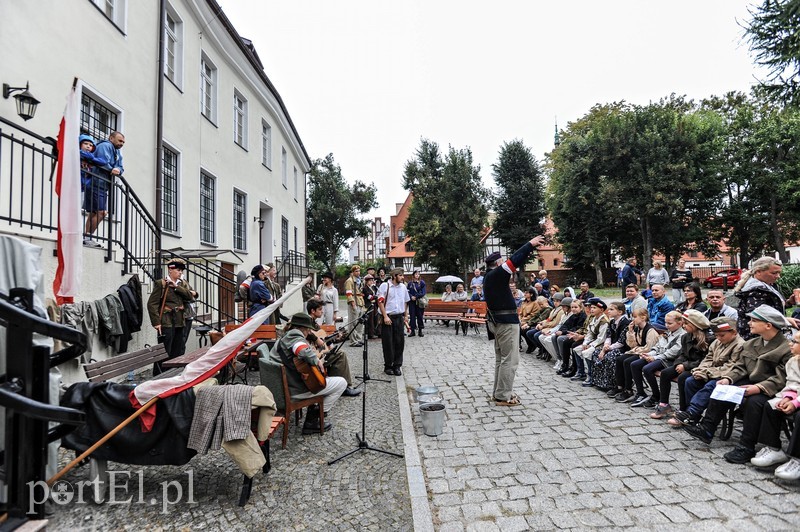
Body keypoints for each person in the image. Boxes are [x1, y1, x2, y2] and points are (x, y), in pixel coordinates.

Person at [683, 305, 792, 459]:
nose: (749, 323)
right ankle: (707, 428)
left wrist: (759, 388)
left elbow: (782, 377)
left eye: (754, 320)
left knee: (753, 402)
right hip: (751, 381)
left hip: (774, 388)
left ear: (768, 325)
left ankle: (746, 446)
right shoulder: (752, 343)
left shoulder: (786, 348)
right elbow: (740, 367)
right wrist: (728, 378)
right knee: (721, 386)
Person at [485, 236, 545, 406]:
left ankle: (498, 393)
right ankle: (503, 396)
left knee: (501, 359)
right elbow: (515, 260)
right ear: (498, 263)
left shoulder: (489, 276)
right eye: (502, 262)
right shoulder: (497, 274)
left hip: (497, 321)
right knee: (509, 360)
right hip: (505, 322)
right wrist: (530, 245)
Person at [269, 312, 347, 434]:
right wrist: (316, 360)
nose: (309, 333)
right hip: (294, 390)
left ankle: (314, 414)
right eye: (308, 330)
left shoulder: (285, 337)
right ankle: (313, 419)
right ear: (304, 328)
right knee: (341, 383)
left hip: (284, 387)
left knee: (320, 381)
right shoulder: (295, 336)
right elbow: (301, 350)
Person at [667, 317, 745, 428]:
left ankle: (692, 413)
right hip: (713, 373)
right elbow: (708, 359)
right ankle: (692, 415)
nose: (718, 338)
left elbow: (731, 366)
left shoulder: (740, 345)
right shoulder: (718, 342)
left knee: (710, 385)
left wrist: (707, 373)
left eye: (721, 335)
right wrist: (699, 370)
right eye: (716, 335)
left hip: (726, 376)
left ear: (734, 332)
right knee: (690, 381)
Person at [747, 329, 800, 480]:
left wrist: (795, 403)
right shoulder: (794, 361)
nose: (790, 344)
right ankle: (773, 447)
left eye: (795, 342)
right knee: (772, 406)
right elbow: (794, 383)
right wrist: (788, 397)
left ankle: (797, 459)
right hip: (797, 397)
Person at [649, 310, 711, 420]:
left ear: (695, 325)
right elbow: (682, 354)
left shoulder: (708, 339)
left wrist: (685, 366)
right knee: (665, 373)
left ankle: (683, 409)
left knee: (683, 378)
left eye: (687, 324)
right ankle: (664, 404)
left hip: (698, 367)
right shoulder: (686, 337)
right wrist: (679, 363)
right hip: (685, 364)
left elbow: (704, 359)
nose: (684, 326)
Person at [146, 258, 196, 374]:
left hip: (180, 320)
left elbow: (190, 296)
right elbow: (152, 304)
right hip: (166, 320)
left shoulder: (182, 283)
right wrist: (156, 322)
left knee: (178, 350)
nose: (180, 273)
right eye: (178, 270)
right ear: (170, 270)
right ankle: (159, 376)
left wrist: (176, 287)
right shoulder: (161, 283)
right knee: (164, 350)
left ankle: (174, 375)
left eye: (181, 271)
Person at [630, 311, 686, 408]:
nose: (666, 325)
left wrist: (654, 357)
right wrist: (649, 354)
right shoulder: (668, 332)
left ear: (680, 323)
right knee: (635, 364)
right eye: (665, 323)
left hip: (670, 360)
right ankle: (641, 393)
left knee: (647, 369)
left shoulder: (682, 335)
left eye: (670, 323)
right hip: (659, 356)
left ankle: (656, 395)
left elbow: (673, 352)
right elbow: (658, 346)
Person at [305, 299, 360, 397]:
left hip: (318, 353)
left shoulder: (314, 323)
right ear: (313, 311)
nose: (322, 311)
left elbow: (323, 340)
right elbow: (307, 333)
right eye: (320, 309)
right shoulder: (306, 321)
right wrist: (316, 339)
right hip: (313, 356)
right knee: (341, 354)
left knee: (337, 352)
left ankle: (339, 383)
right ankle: (344, 387)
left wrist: (333, 339)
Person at [613, 308, 661, 402]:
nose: (632, 319)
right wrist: (630, 332)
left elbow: (648, 347)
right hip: (638, 351)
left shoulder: (650, 330)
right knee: (619, 359)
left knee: (628, 362)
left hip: (647, 353)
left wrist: (636, 350)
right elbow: (632, 345)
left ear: (643, 317)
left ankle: (630, 390)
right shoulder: (638, 329)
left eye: (635, 317)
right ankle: (621, 386)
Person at [84, 131, 124, 245]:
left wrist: (118, 170)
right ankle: (87, 237)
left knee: (94, 212)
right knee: (101, 212)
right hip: (96, 182)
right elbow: (102, 162)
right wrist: (113, 169)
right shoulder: (105, 145)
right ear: (111, 138)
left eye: (123, 142)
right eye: (120, 140)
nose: (122, 143)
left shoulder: (117, 152)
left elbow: (121, 168)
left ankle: (87, 237)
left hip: (103, 185)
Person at [733, 257, 785, 339]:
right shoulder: (756, 289)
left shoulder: (768, 285)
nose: (778, 276)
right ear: (758, 272)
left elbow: (771, 306)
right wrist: (785, 320)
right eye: (774, 273)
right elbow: (757, 315)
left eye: (779, 273)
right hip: (756, 338)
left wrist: (789, 302)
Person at [377, 267, 410, 376]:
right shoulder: (385, 286)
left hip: (399, 317)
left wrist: (405, 315)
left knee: (399, 342)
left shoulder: (403, 287)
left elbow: (406, 302)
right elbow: (380, 302)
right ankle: (388, 366)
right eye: (400, 275)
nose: (402, 277)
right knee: (388, 342)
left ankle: (397, 365)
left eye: (402, 275)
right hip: (388, 317)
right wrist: (385, 316)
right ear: (394, 276)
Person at [592, 302, 631, 393]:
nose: (608, 311)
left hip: (622, 348)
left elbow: (621, 342)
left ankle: (614, 383)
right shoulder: (612, 322)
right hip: (611, 346)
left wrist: (608, 348)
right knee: (596, 353)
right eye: (608, 309)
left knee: (610, 356)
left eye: (611, 309)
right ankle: (601, 381)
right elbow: (608, 336)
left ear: (620, 312)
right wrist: (605, 346)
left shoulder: (625, 323)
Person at [574, 298, 610, 387]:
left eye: (594, 308)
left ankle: (591, 375)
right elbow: (589, 333)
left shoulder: (604, 321)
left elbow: (602, 338)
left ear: (601, 310)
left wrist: (590, 345)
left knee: (587, 353)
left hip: (601, 343)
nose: (591, 309)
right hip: (593, 341)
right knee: (577, 349)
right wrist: (585, 343)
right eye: (591, 308)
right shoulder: (594, 319)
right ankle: (581, 372)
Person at [344, 265, 365, 347]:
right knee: (353, 322)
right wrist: (352, 303)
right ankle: (353, 341)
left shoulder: (359, 280)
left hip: (360, 302)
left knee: (360, 323)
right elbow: (348, 293)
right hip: (354, 302)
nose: (358, 272)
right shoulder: (350, 281)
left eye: (359, 271)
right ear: (352, 272)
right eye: (356, 271)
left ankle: (358, 339)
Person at [408, 270, 426, 337]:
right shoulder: (410, 283)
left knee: (420, 316)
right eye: (416, 274)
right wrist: (411, 296)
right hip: (412, 302)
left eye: (418, 274)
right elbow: (407, 291)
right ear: (413, 275)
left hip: (419, 302)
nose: (417, 275)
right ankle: (412, 331)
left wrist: (416, 296)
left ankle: (420, 331)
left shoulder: (422, 283)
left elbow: (423, 292)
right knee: (412, 317)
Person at [362, 274, 380, 339]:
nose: (371, 282)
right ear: (366, 281)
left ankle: (377, 332)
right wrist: (374, 297)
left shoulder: (372, 287)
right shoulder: (365, 288)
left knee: (376, 317)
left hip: (374, 304)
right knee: (370, 319)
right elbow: (369, 297)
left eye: (372, 280)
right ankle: (370, 333)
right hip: (368, 304)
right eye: (370, 280)